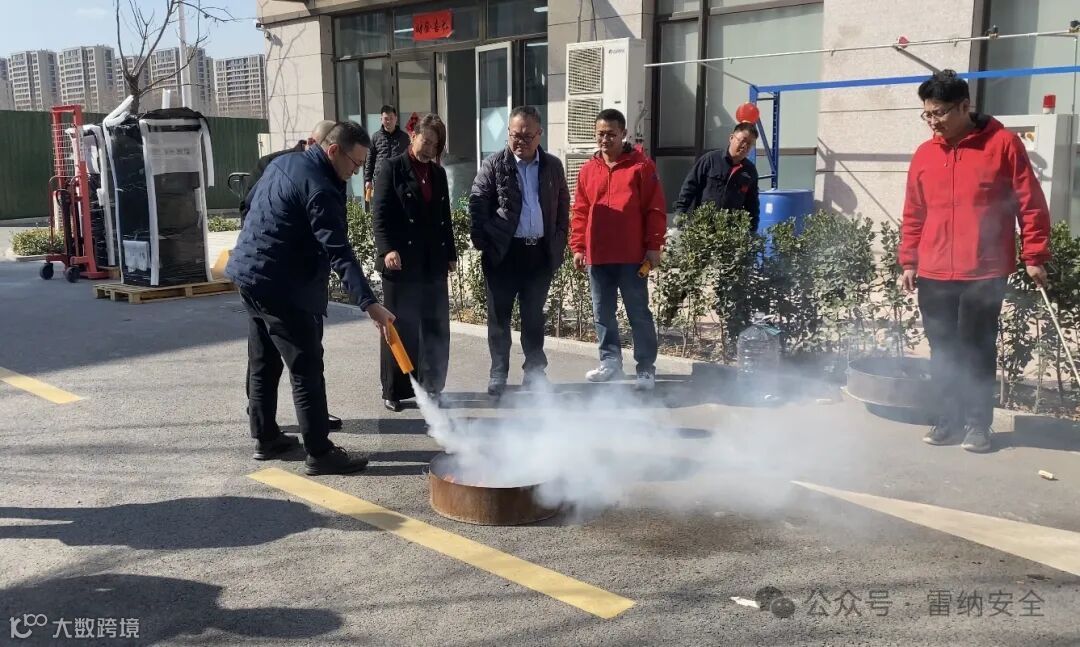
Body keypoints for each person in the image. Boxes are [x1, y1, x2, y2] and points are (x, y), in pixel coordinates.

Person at [226, 121, 396, 475]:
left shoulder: (283, 163)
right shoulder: (320, 186)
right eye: (354, 164)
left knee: (263, 360)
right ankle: (320, 452)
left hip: (249, 276)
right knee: (306, 369)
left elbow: (250, 203)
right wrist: (370, 304)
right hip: (283, 287)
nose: (355, 173)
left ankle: (266, 437)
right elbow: (339, 252)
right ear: (333, 150)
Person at [900, 69, 1051, 453]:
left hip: (984, 269)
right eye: (927, 114)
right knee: (942, 348)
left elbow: (1030, 202)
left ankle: (978, 425)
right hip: (935, 270)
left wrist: (1034, 254)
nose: (933, 122)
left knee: (977, 348)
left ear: (964, 106)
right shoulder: (925, 154)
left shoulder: (1002, 144)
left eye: (939, 113)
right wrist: (909, 261)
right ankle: (947, 419)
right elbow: (914, 211)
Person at [239, 120, 345, 430]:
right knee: (293, 363)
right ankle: (315, 444)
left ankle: (271, 434)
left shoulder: (328, 172)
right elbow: (250, 211)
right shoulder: (274, 164)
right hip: (281, 280)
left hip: (293, 280)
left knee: (296, 356)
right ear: (316, 143)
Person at [469, 106, 570, 398]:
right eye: (515, 135)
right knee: (499, 318)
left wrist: (559, 239)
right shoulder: (493, 165)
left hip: (538, 254)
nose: (520, 141)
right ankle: (498, 372)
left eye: (527, 136)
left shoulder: (552, 166)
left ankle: (535, 373)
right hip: (503, 254)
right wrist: (485, 242)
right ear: (508, 133)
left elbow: (562, 206)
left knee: (533, 317)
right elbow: (477, 204)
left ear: (539, 135)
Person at [570, 108, 667, 391]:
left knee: (638, 313)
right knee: (603, 313)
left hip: (631, 257)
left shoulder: (642, 167)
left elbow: (655, 209)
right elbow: (580, 211)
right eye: (600, 134)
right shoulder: (588, 170)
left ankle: (645, 368)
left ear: (623, 134)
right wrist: (578, 246)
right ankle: (610, 363)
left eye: (611, 134)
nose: (605, 139)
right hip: (598, 256)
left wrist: (654, 246)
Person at [372, 113, 456, 412]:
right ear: (413, 136)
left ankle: (432, 386)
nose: (429, 148)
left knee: (436, 327)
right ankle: (394, 389)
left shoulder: (437, 174)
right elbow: (379, 215)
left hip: (432, 262)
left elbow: (444, 217)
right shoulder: (391, 168)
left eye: (435, 144)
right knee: (400, 327)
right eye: (426, 140)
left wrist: (450, 254)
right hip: (400, 262)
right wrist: (387, 250)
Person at [240, 120, 336, 221]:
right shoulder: (270, 163)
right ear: (311, 142)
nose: (332, 156)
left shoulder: (331, 171)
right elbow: (247, 208)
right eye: (330, 151)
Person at [673, 122, 761, 232]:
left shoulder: (750, 171)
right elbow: (690, 187)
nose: (745, 146)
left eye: (749, 144)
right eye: (743, 141)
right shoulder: (710, 160)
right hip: (700, 228)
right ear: (731, 138)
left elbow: (752, 204)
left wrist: (752, 230)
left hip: (729, 233)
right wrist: (680, 213)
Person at [364, 105, 411, 198]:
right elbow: (370, 160)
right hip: (380, 179)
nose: (388, 121)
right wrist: (368, 179)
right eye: (386, 119)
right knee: (381, 204)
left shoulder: (405, 138)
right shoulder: (375, 137)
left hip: (399, 180)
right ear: (381, 119)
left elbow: (410, 160)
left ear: (396, 118)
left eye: (391, 118)